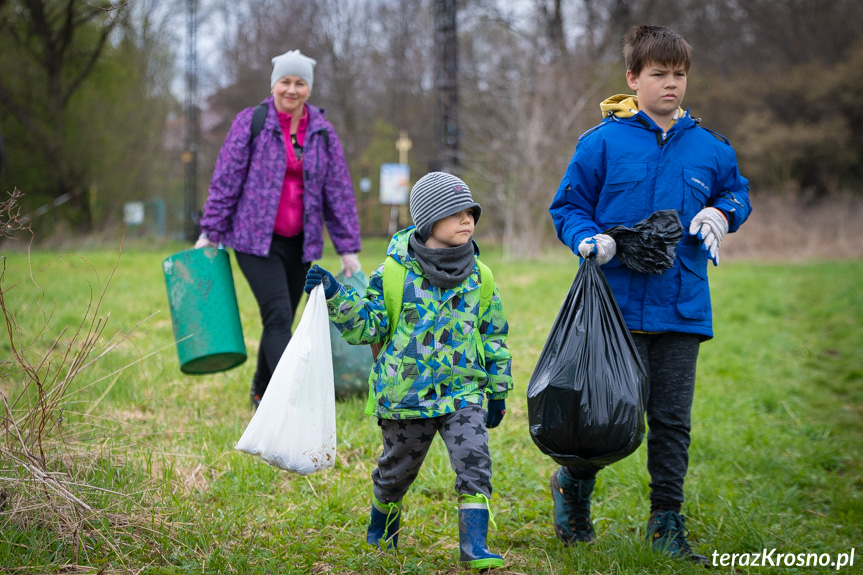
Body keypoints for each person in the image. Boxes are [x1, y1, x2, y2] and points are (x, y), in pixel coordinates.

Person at [548, 24, 752, 564]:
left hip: (681, 306)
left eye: (679, 75)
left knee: (671, 421)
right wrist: (588, 239)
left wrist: (722, 212)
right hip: (614, 307)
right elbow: (566, 208)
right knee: (608, 417)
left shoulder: (710, 148)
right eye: (658, 74)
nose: (671, 85)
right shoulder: (601, 144)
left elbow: (738, 191)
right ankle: (573, 485)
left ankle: (666, 521)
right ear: (633, 79)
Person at [304, 172, 513, 570]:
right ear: (429, 219)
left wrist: (498, 390)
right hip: (405, 396)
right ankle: (383, 526)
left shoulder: (480, 276)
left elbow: (495, 335)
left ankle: (474, 547)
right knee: (396, 472)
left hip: (462, 393)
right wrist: (335, 295)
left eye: (471, 213)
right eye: (455, 213)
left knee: (475, 462)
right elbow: (368, 327)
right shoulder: (393, 274)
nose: (467, 220)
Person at [196, 49, 361, 409]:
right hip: (255, 242)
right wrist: (211, 231)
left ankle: (260, 392)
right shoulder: (251, 122)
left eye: (299, 82)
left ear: (309, 89)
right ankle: (293, 403)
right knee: (279, 317)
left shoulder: (322, 132)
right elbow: (227, 178)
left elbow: (339, 191)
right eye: (285, 81)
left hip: (302, 245)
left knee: (280, 320)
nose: (292, 89)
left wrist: (347, 247)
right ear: (273, 85)